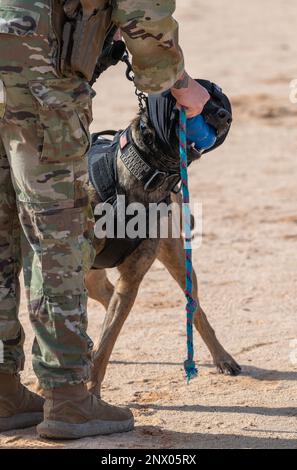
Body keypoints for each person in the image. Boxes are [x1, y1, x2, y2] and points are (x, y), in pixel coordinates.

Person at [0, 0, 209, 439]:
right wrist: (178, 82)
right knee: (57, 238)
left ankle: (3, 389)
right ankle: (69, 397)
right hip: (40, 79)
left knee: (1, 232)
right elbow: (144, 13)